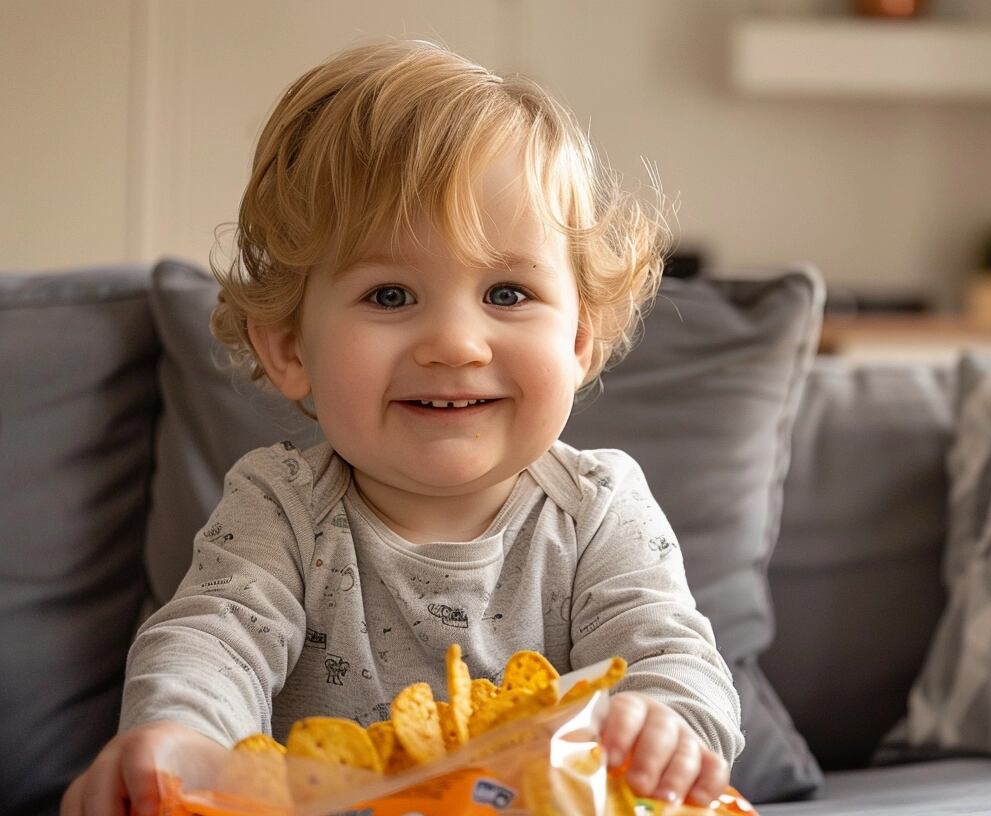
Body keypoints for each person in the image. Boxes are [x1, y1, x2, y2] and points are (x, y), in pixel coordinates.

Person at [62, 38, 742, 816]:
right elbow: (215, 640)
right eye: (391, 295)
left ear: (580, 339)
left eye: (509, 293)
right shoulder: (281, 507)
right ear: (290, 349)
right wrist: (180, 740)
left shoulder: (597, 510)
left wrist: (662, 724)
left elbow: (669, 653)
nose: (455, 343)